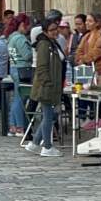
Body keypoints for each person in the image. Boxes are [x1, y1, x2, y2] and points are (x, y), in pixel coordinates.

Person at [22, 19, 65, 157]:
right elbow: (42, 67)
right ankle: (47, 146)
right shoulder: (44, 45)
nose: (55, 32)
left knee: (50, 115)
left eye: (56, 29)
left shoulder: (53, 43)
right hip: (46, 85)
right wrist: (47, 83)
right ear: (45, 31)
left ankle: (35, 143)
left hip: (53, 84)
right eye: (52, 30)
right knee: (47, 115)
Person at [6, 13, 33, 137]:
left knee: (17, 97)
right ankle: (20, 127)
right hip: (22, 68)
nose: (28, 29)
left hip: (13, 67)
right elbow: (27, 55)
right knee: (20, 98)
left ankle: (12, 125)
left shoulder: (11, 37)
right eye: (27, 26)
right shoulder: (20, 38)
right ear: (22, 25)